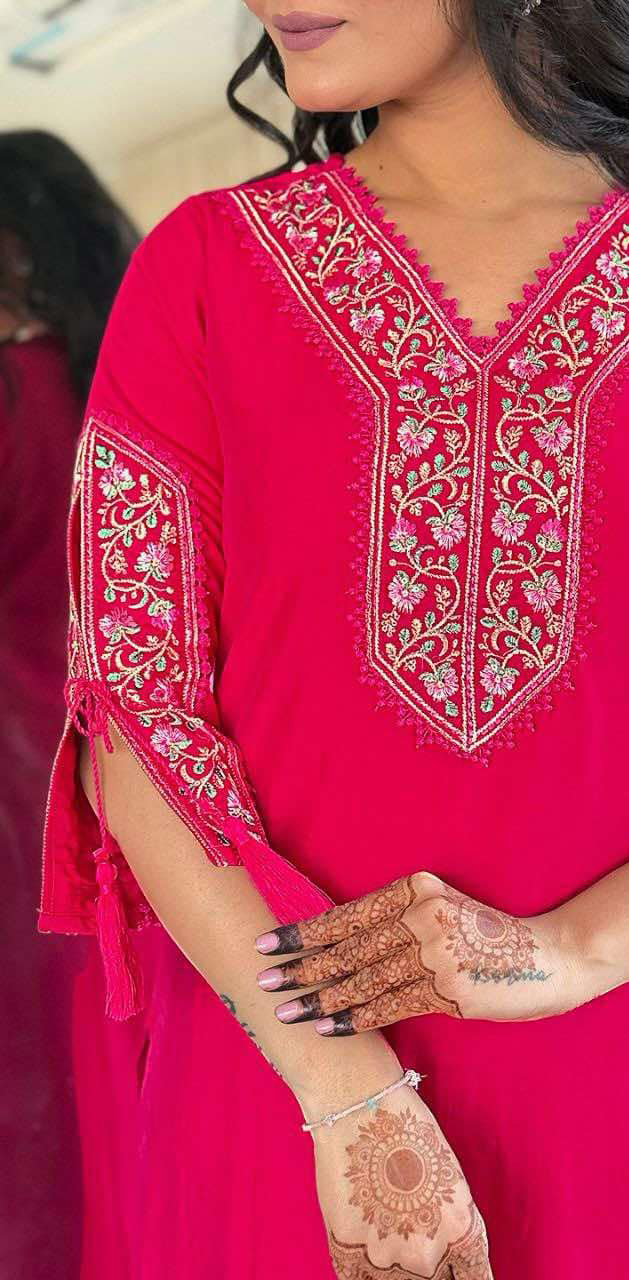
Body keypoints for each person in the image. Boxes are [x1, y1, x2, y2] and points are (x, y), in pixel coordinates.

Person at [38, 4, 629, 1278]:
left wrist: (563, 953)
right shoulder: (201, 267)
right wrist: (347, 1094)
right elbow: (133, 710)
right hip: (284, 1072)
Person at [0, 130, 138, 1279]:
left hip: (12, 794)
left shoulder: (13, 396)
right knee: (110, 1094)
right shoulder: (141, 397)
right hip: (137, 795)